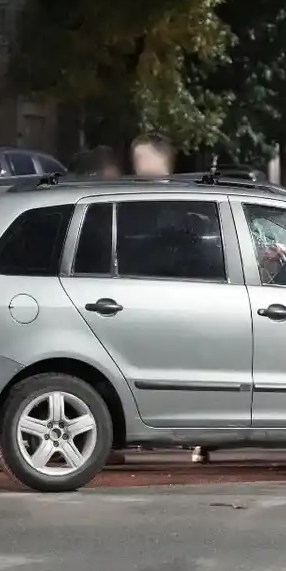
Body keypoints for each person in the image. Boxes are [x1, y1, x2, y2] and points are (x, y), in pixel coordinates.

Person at [129, 133, 215, 464]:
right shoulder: (128, 206)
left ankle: (199, 437)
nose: (142, 170)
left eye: (148, 162)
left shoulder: (186, 209)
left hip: (183, 305)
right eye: (139, 162)